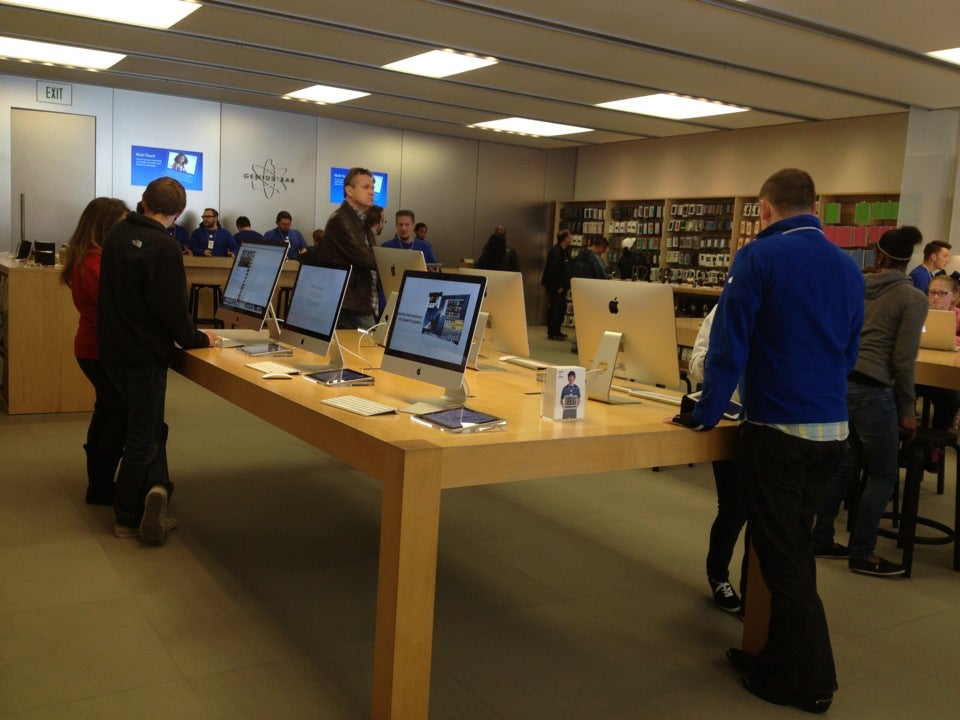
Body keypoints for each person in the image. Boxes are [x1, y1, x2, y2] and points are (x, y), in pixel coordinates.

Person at [674, 168, 865, 714]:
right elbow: (849, 353)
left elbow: (730, 348)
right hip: (832, 433)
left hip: (778, 431)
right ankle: (770, 655)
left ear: (764, 209)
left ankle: (812, 681)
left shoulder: (757, 257)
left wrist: (706, 414)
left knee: (785, 564)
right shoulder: (849, 268)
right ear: (815, 205)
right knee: (785, 549)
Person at [98, 176, 217, 544]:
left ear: (144, 200)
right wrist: (198, 339)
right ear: (178, 213)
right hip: (145, 355)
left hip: (113, 350)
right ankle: (127, 516)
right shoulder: (165, 247)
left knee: (145, 428)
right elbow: (172, 310)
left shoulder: (116, 235)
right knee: (143, 438)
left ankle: (157, 490)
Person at [812, 226, 927, 578]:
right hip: (876, 391)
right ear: (909, 262)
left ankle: (821, 537)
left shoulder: (858, 286)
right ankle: (863, 552)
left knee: (846, 465)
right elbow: (903, 361)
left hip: (842, 382)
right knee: (883, 473)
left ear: (878, 257)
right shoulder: (913, 298)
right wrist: (908, 411)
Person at [59, 197, 130, 506]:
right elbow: (119, 309)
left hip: (90, 347)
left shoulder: (85, 258)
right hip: (100, 351)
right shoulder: (97, 263)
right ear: (106, 225)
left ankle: (97, 484)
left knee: (106, 411)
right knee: (121, 417)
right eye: (122, 222)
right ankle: (101, 486)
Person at [687, 305, 747, 613]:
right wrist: (725, 364)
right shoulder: (727, 306)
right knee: (735, 507)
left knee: (766, 515)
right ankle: (718, 574)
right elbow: (696, 363)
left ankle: (757, 599)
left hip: (775, 422)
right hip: (730, 419)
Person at [306, 167, 378, 329]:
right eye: (366, 187)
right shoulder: (342, 220)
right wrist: (393, 264)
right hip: (348, 303)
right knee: (367, 349)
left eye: (372, 188)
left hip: (353, 300)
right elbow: (366, 258)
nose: (372, 192)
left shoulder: (360, 220)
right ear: (349, 190)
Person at [915, 274, 960, 470]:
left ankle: (935, 445)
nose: (936, 298)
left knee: (951, 397)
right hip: (920, 372)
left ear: (954, 296)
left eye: (942, 293)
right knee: (899, 390)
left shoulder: (958, 315)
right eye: (932, 292)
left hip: (944, 376)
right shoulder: (919, 313)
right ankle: (904, 441)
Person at [541, 230, 572, 341]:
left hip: (563, 287)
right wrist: (558, 285)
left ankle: (557, 330)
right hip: (556, 287)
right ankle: (552, 332)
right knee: (554, 309)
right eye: (569, 236)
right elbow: (553, 270)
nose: (571, 238)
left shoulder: (564, 251)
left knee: (561, 310)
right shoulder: (556, 251)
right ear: (565, 238)